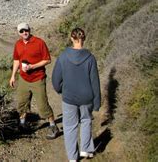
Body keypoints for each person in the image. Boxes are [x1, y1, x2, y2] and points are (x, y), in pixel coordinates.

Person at [52, 28, 101, 162]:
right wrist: (97, 103)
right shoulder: (90, 58)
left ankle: (73, 157)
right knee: (86, 121)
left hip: (69, 97)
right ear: (83, 39)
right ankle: (86, 149)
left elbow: (55, 80)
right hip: (87, 97)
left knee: (69, 126)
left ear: (71, 38)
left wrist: (61, 90)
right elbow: (95, 82)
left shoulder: (63, 56)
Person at [9, 22, 59, 139]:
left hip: (38, 78)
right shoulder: (18, 44)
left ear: (29, 30)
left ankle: (53, 126)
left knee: (42, 105)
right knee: (22, 102)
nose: (24, 33)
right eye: (21, 31)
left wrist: (32, 67)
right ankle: (22, 125)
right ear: (18, 33)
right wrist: (12, 76)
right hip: (23, 79)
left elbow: (47, 60)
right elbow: (16, 60)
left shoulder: (39, 42)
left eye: (26, 30)